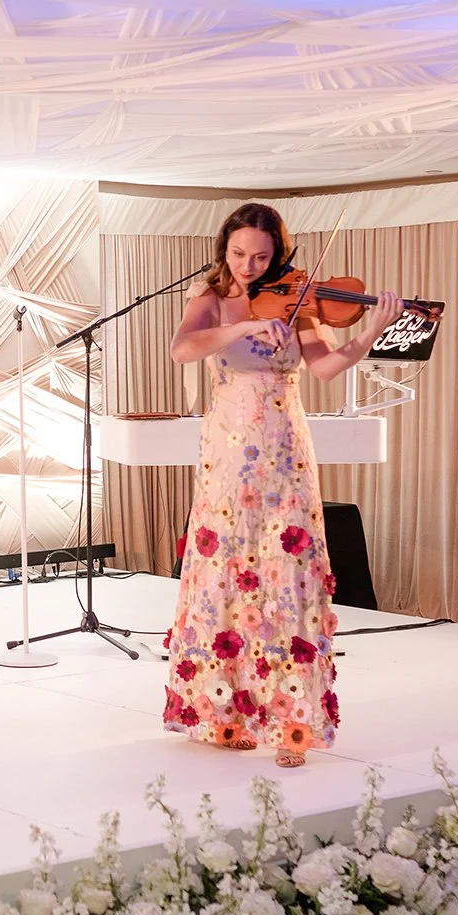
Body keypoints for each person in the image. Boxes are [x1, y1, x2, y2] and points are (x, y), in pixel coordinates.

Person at [163, 203, 403, 767]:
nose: (248, 265)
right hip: (228, 450)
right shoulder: (209, 299)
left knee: (287, 570)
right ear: (225, 248)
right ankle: (223, 713)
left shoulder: (296, 300)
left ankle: (292, 722)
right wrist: (246, 324)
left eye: (261, 256)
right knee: (226, 567)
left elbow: (325, 367)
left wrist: (373, 329)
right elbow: (182, 349)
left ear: (278, 254)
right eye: (239, 253)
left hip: (286, 449)